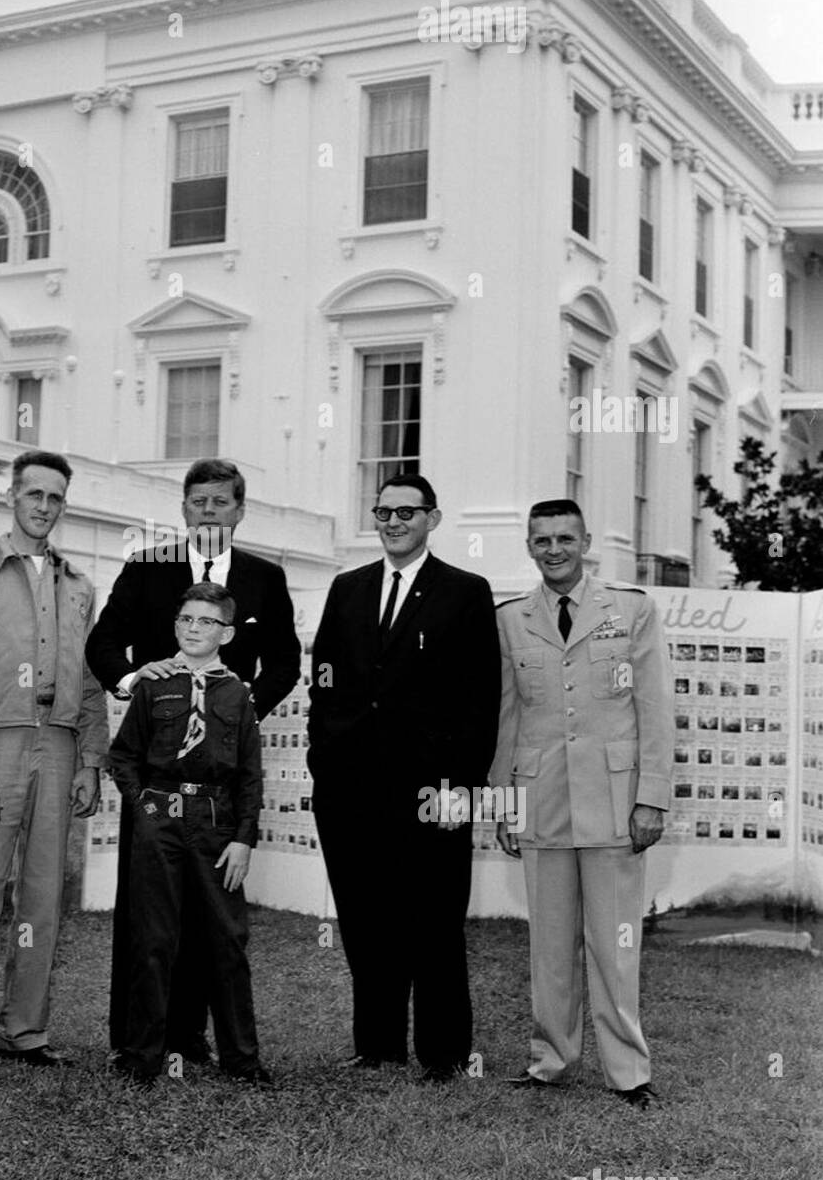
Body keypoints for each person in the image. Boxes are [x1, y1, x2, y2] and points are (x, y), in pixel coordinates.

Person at [86, 457, 300, 1061]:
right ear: (183, 509)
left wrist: (244, 705)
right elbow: (102, 642)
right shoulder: (145, 568)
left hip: (221, 782)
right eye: (198, 501)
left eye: (221, 502)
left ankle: (197, 1038)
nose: (208, 511)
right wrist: (132, 680)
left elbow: (284, 658)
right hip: (156, 777)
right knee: (147, 920)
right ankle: (139, 1043)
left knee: (215, 918)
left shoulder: (264, 578)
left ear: (239, 510)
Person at [307, 472, 500, 1079]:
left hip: (432, 794)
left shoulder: (465, 592)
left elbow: (480, 699)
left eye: (406, 513)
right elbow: (327, 682)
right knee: (366, 921)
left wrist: (459, 789)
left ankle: (442, 1056)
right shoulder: (347, 588)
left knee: (435, 924)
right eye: (383, 512)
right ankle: (378, 1046)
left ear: (432, 520)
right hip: (352, 791)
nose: (393, 523)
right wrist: (325, 761)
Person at [491, 498, 673, 1109]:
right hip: (541, 800)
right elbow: (506, 718)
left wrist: (651, 798)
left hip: (614, 803)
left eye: (564, 538)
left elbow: (654, 710)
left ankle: (628, 1073)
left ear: (586, 540)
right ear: (529, 546)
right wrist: (504, 804)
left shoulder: (631, 609)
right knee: (549, 945)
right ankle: (550, 1060)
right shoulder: (512, 618)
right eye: (541, 540)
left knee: (615, 944)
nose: (554, 550)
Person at [0, 450, 108, 1067]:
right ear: (12, 497)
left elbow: (91, 680)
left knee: (42, 895)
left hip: (58, 744)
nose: (44, 506)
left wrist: (91, 759)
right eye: (34, 494)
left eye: (55, 497)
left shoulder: (81, 586)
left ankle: (26, 1029)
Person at [109, 582, 268, 1086]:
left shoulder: (238, 694)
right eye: (186, 620)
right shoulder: (155, 684)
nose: (194, 629)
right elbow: (123, 756)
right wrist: (144, 807)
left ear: (226, 632)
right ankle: (141, 1058)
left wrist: (244, 838)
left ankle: (242, 1059)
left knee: (227, 941)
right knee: (153, 939)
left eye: (206, 622)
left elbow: (249, 775)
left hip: (217, 825)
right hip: (160, 822)